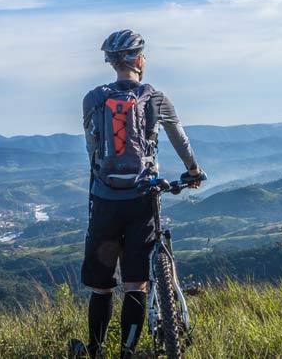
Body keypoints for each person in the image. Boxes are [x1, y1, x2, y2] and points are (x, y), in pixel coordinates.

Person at [69, 30, 203, 359]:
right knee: (135, 283)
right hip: (143, 198)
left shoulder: (93, 99)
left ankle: (96, 351)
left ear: (112, 62)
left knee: (102, 285)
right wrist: (193, 169)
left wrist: (101, 177)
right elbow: (179, 138)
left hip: (104, 199)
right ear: (140, 60)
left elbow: (92, 146)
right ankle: (127, 351)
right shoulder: (155, 97)